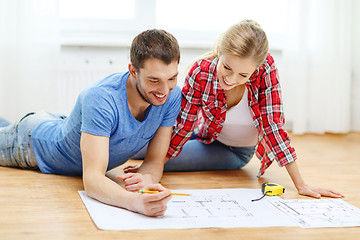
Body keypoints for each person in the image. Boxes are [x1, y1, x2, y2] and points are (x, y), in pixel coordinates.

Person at [132, 20, 343, 199]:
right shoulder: (202, 71)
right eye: (227, 68)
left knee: (152, 155)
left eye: (243, 75)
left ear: (256, 69)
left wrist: (301, 185)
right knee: (140, 147)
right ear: (219, 53)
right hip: (203, 131)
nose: (231, 80)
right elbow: (184, 125)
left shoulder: (266, 71)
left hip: (232, 151)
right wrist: (152, 165)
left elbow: (273, 127)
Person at [0, 29, 182, 217]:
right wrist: (135, 202)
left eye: (172, 78)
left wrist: (147, 178)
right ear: (133, 71)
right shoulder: (100, 98)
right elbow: (93, 179)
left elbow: (155, 160)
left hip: (58, 124)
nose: (164, 90)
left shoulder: (172, 96)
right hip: (30, 143)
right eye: (154, 80)